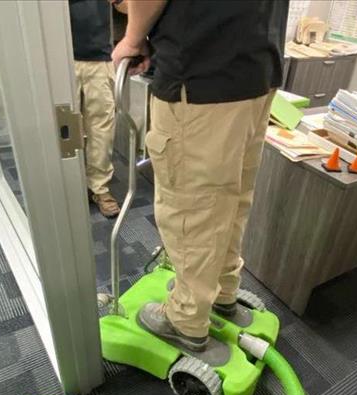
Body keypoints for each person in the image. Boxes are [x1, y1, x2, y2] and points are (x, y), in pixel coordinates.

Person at [112, 0, 288, 352]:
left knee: (192, 210)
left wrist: (133, 38)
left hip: (200, 75)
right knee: (231, 198)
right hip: (256, 70)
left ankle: (185, 319)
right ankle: (223, 292)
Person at [69, 0, 122, 218]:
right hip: (58, 57)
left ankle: (99, 188)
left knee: (102, 130)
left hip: (99, 58)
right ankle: (68, 186)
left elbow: (126, 6)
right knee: (65, 129)